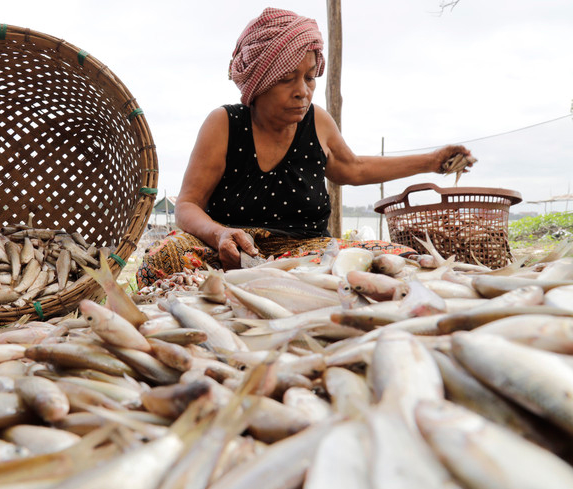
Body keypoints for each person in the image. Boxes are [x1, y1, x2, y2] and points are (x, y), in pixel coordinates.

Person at [136, 7, 474, 287]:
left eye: (310, 78)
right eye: (287, 79)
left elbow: (354, 168)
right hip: (233, 254)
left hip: (307, 252)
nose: (303, 91)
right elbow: (188, 205)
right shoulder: (224, 124)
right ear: (258, 84)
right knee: (162, 259)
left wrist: (433, 161)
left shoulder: (318, 122)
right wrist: (220, 234)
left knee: (401, 259)